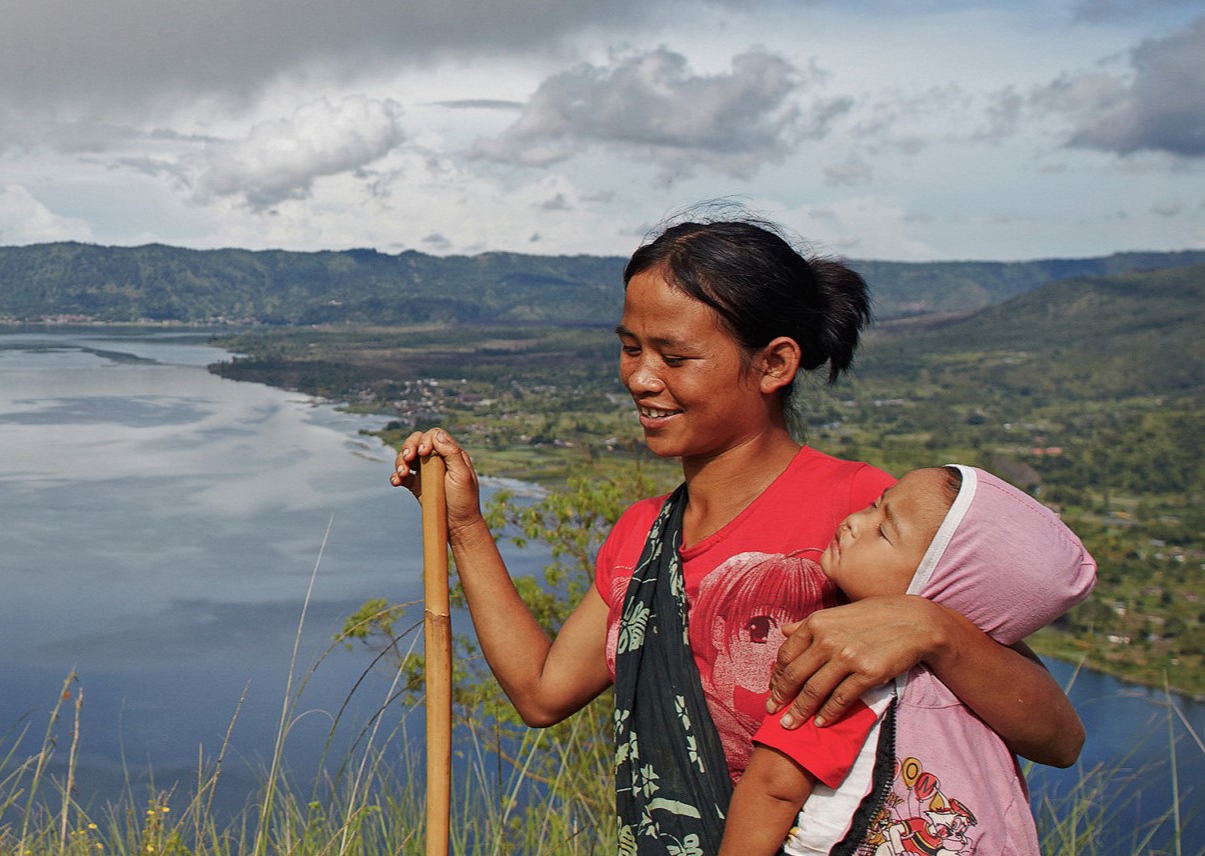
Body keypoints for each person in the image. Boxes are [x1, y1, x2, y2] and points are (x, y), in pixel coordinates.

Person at [390, 216, 1084, 854]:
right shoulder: (644, 539)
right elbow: (541, 693)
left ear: (775, 365)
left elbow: (1056, 735)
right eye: (631, 347)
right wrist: (464, 524)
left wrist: (933, 628)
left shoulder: (864, 517)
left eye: (674, 355)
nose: (639, 377)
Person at [720, 466, 1096, 855]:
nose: (854, 522)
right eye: (873, 506)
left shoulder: (849, 662)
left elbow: (774, 788)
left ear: (939, 584)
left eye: (883, 531)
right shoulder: (980, 687)